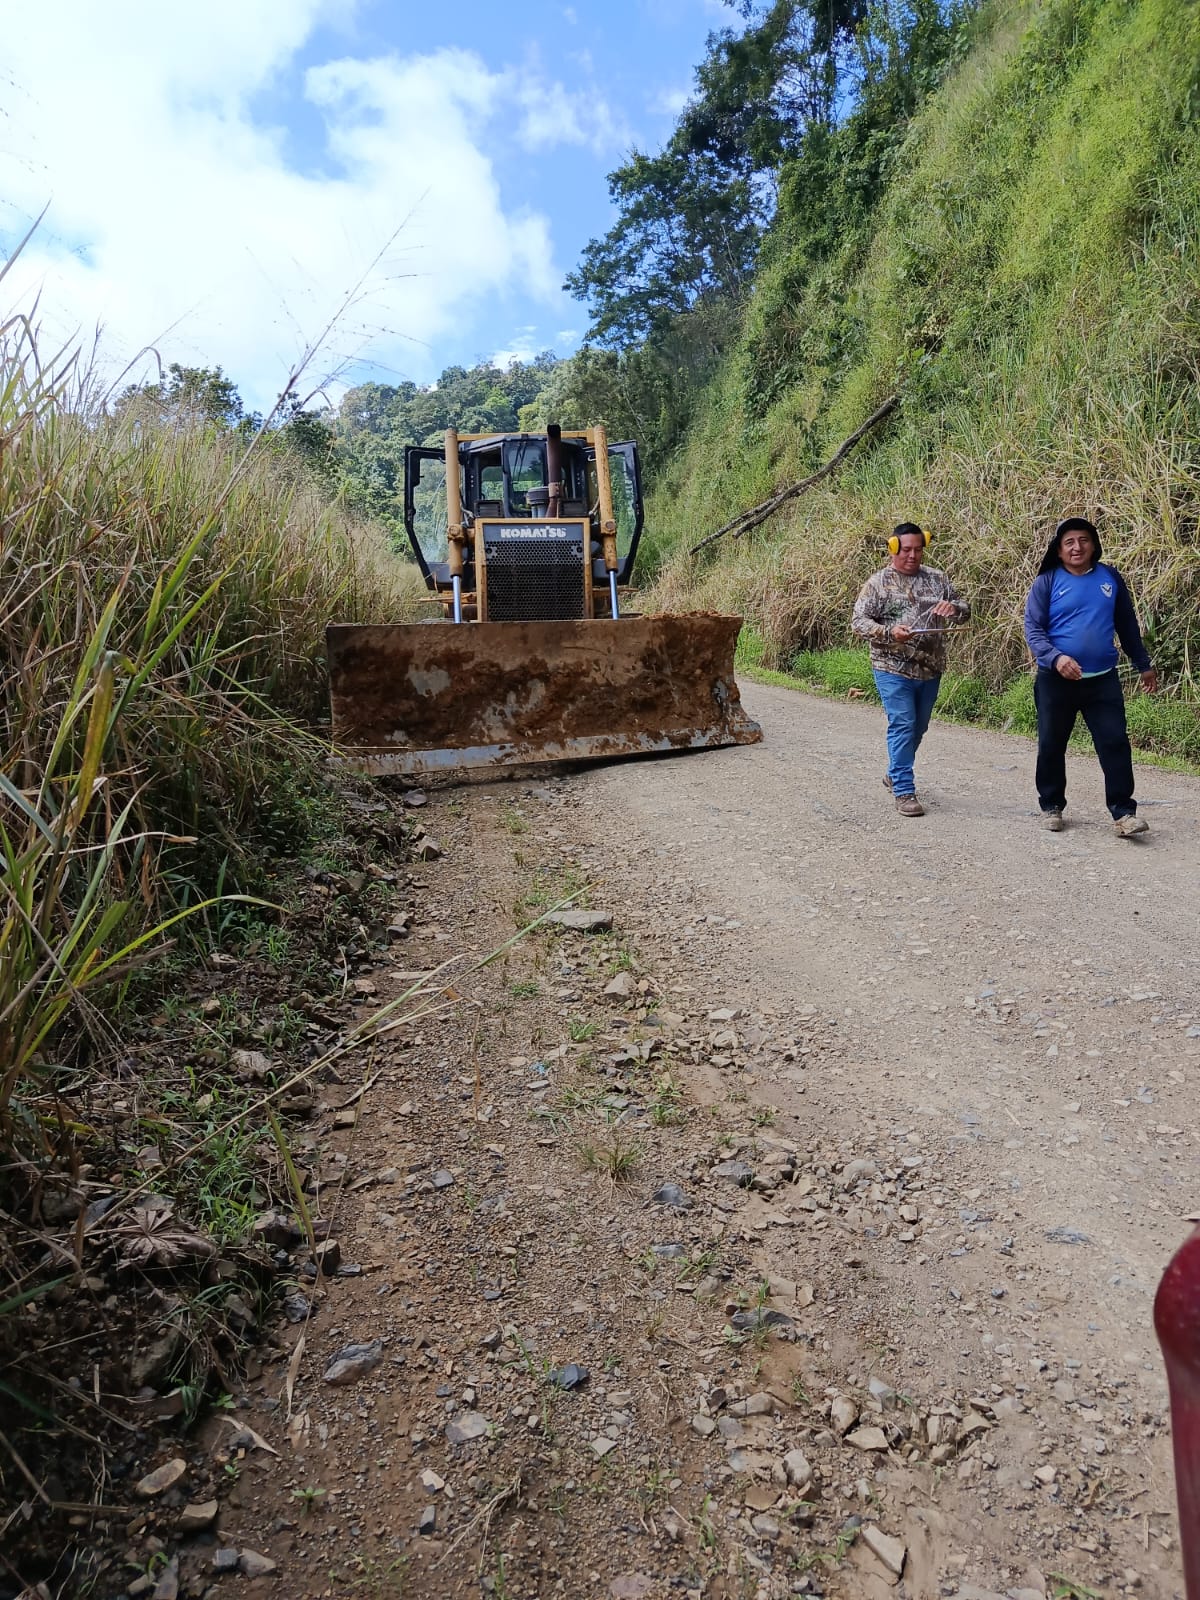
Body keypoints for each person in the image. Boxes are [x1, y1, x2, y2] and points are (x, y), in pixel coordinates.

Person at [1023, 516, 1157, 836]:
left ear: (1094, 545)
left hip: (1102, 680)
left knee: (1115, 742)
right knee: (1052, 743)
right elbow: (1034, 629)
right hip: (1056, 681)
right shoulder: (1047, 582)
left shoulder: (1110, 577)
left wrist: (1143, 664)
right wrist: (1056, 658)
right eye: (1069, 542)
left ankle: (1124, 813)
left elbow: (1126, 624)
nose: (1077, 547)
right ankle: (1052, 806)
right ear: (1058, 550)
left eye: (1083, 540)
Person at [851, 523, 970, 817]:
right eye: (906, 550)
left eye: (918, 549)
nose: (912, 555)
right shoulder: (878, 583)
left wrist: (954, 609)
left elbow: (963, 610)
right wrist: (889, 632)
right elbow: (859, 622)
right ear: (893, 548)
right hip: (891, 666)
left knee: (919, 727)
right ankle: (904, 791)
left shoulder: (937, 579)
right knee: (903, 723)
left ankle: (895, 770)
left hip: (930, 667)